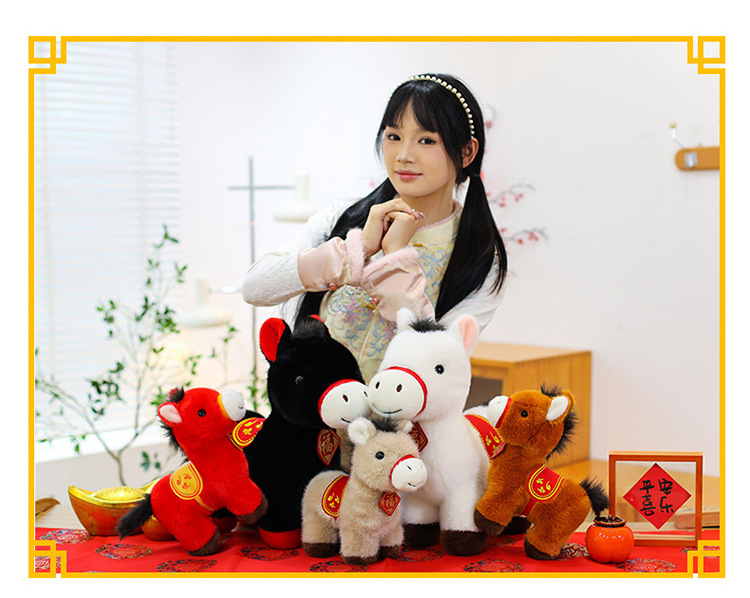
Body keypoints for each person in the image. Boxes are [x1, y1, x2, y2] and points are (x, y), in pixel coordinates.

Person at [242, 73, 508, 382]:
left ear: (466, 152)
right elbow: (255, 287)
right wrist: (353, 252)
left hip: (399, 415)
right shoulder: (342, 217)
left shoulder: (480, 260)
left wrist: (396, 261)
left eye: (426, 140)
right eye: (394, 136)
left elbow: (439, 364)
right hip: (312, 410)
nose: (404, 156)